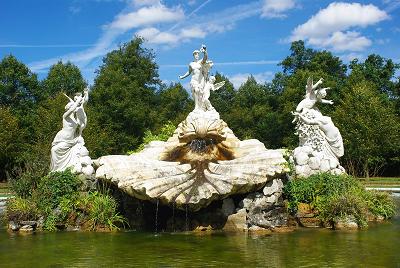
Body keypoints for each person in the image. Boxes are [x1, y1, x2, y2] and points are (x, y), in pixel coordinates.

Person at [50, 94, 84, 172]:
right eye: (71, 106)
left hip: (70, 139)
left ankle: (61, 169)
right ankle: (55, 169)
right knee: (54, 150)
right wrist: (78, 100)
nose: (73, 108)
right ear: (68, 108)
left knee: (55, 150)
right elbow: (72, 109)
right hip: (62, 138)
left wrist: (83, 98)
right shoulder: (65, 115)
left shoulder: (75, 118)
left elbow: (81, 113)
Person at [179, 45, 213, 111]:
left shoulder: (201, 62)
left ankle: (202, 107)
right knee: (195, 91)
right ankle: (196, 106)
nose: (196, 55)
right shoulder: (191, 64)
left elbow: (205, 58)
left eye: (197, 54)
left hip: (201, 80)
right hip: (194, 79)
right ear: (193, 55)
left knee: (200, 93)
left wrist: (205, 51)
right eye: (195, 54)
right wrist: (182, 77)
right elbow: (189, 72)